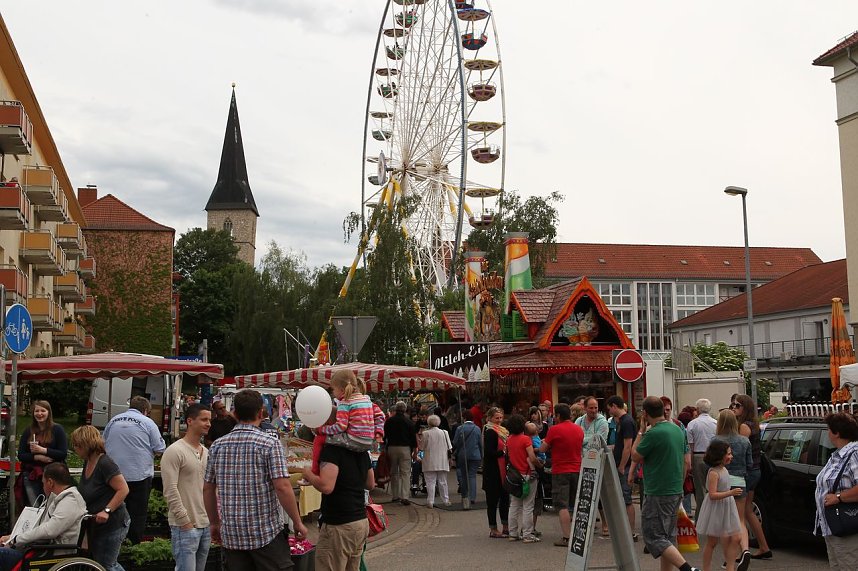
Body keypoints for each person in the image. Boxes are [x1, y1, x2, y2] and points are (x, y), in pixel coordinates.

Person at [203, 389, 307, 570]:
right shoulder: (269, 443)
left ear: (234, 414)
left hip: (232, 534)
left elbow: (208, 488)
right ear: (261, 413)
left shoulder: (217, 446)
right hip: (264, 533)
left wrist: (214, 522)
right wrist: (297, 522)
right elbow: (282, 487)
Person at [630, 396, 700, 571]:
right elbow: (686, 462)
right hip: (675, 488)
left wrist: (640, 432)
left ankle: (688, 569)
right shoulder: (676, 429)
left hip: (658, 490)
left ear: (645, 414)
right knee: (667, 538)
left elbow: (635, 456)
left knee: (654, 536)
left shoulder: (653, 433)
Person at [301, 438, 375, 571]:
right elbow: (370, 483)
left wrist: (308, 474)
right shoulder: (361, 449)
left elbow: (326, 486)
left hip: (339, 524)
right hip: (359, 521)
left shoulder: (332, 450)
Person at [0, 463, 87, 571]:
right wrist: (12, 537)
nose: (43, 486)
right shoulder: (59, 498)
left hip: (51, 554)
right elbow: (40, 527)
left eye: (43, 483)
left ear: (50, 482)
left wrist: (16, 539)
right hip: (41, 549)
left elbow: (49, 530)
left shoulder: (70, 500)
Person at [103, 396, 166, 544]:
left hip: (114, 475)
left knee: (114, 510)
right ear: (145, 410)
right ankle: (133, 543)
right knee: (137, 513)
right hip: (139, 475)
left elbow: (103, 443)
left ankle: (114, 542)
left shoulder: (113, 420)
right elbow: (160, 448)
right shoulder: (148, 423)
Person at [70, 425, 130, 571]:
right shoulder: (88, 461)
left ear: (86, 445)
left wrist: (107, 510)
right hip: (96, 526)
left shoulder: (105, 463)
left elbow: (123, 489)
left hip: (114, 524)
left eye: (77, 445)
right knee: (99, 561)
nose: (75, 449)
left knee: (107, 565)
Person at [161, 404, 212, 571]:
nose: (208, 423)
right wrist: (184, 521)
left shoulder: (206, 452)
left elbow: (209, 488)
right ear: (190, 421)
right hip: (186, 526)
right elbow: (170, 490)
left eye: (209, 420)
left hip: (205, 524)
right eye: (204, 419)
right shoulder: (175, 451)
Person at [814, 411, 858, 569]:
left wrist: (839, 497)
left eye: (828, 429)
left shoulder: (854, 454)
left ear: (836, 433)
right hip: (833, 526)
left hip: (847, 527)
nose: (827, 433)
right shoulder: (839, 455)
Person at [539, 403, 584, 548]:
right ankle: (580, 534)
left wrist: (540, 445)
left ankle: (566, 537)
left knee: (561, 504)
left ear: (558, 416)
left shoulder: (554, 429)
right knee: (576, 502)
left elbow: (543, 448)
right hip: (577, 468)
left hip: (560, 470)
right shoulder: (579, 429)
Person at [712, 409, 752, 571]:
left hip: (722, 483)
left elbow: (711, 462)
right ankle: (745, 550)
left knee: (725, 523)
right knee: (740, 520)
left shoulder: (715, 441)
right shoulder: (744, 441)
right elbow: (749, 464)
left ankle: (729, 558)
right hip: (740, 482)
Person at [734, 394, 772, 560]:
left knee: (740, 514)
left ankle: (742, 551)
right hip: (755, 470)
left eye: (737, 405)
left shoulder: (744, 427)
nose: (734, 408)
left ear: (744, 408)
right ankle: (763, 546)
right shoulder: (754, 424)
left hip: (746, 472)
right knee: (748, 510)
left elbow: (740, 451)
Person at [696, 440, 742, 571]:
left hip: (727, 506)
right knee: (712, 542)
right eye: (728, 454)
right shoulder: (714, 472)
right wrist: (730, 492)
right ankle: (707, 568)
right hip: (716, 508)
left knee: (736, 537)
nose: (731, 456)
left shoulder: (723, 469)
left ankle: (730, 566)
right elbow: (712, 495)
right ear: (719, 455)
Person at [18, 400, 68, 506]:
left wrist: (43, 450)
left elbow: (62, 453)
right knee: (35, 506)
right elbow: (21, 455)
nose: (39, 414)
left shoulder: (57, 429)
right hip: (33, 475)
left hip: (54, 475)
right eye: (37, 411)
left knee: (52, 506)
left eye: (43, 411)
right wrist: (37, 457)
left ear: (48, 412)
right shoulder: (28, 431)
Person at [318, 370, 378, 452]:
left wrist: (322, 429)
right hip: (369, 441)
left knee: (320, 439)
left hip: (354, 440)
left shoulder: (345, 403)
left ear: (341, 390)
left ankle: (316, 464)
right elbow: (379, 416)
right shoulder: (366, 399)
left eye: (333, 389)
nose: (333, 393)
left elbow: (340, 427)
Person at [505, 414, 542, 544]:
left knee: (514, 505)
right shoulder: (526, 439)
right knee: (528, 505)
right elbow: (532, 457)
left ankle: (513, 533)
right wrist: (539, 464)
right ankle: (527, 534)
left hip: (514, 475)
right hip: (527, 474)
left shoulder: (509, 439)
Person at [607, 395, 638, 540]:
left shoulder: (626, 422)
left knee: (626, 498)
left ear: (614, 406)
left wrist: (621, 466)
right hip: (621, 463)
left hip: (624, 466)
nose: (609, 412)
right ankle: (626, 530)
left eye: (609, 408)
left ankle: (630, 531)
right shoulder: (622, 421)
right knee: (623, 497)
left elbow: (628, 446)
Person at [687, 398, 718, 517]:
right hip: (713, 456)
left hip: (698, 456)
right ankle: (713, 515)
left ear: (698, 409)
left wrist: (689, 463)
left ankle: (701, 517)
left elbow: (690, 445)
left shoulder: (692, 424)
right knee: (713, 488)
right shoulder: (715, 423)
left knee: (700, 489)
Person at [483, 407, 510, 539]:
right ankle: (493, 528)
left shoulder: (503, 431)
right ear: (490, 418)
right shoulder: (490, 431)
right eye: (496, 418)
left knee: (505, 499)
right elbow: (489, 452)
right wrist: (502, 452)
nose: (499, 421)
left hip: (503, 470)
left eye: (500, 418)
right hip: (493, 471)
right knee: (492, 502)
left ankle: (506, 526)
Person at [383, 401, 417, 505]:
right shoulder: (409, 422)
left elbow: (386, 436)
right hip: (405, 448)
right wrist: (414, 450)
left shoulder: (389, 421)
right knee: (405, 473)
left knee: (394, 473)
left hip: (392, 447)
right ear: (405, 409)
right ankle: (405, 497)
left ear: (396, 409)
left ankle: (395, 496)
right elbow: (413, 438)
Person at [418, 414, 452, 508]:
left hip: (429, 460)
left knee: (430, 481)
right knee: (443, 481)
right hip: (442, 460)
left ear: (429, 423)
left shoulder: (426, 433)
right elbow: (450, 447)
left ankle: (430, 501)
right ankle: (446, 500)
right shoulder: (445, 432)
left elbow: (421, 447)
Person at [452, 409, 482, 510]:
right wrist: (481, 455)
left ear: (463, 418)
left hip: (463, 455)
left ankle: (465, 496)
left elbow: (455, 442)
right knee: (472, 476)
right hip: (475, 455)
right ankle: (473, 497)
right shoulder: (477, 429)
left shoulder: (460, 428)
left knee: (464, 476)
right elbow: (480, 443)